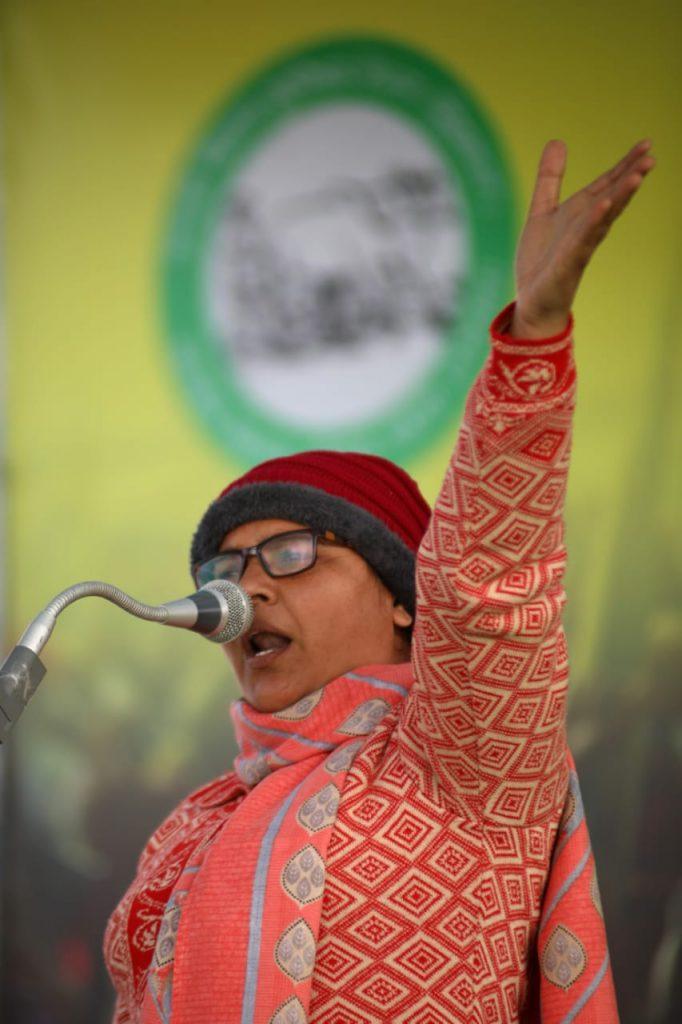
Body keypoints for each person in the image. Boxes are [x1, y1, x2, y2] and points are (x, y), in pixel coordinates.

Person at [104, 139, 655, 1023]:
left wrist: (533, 340)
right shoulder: (189, 832)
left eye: (290, 552)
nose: (248, 590)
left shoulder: (467, 759)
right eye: (225, 568)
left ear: (406, 595)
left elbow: (488, 580)